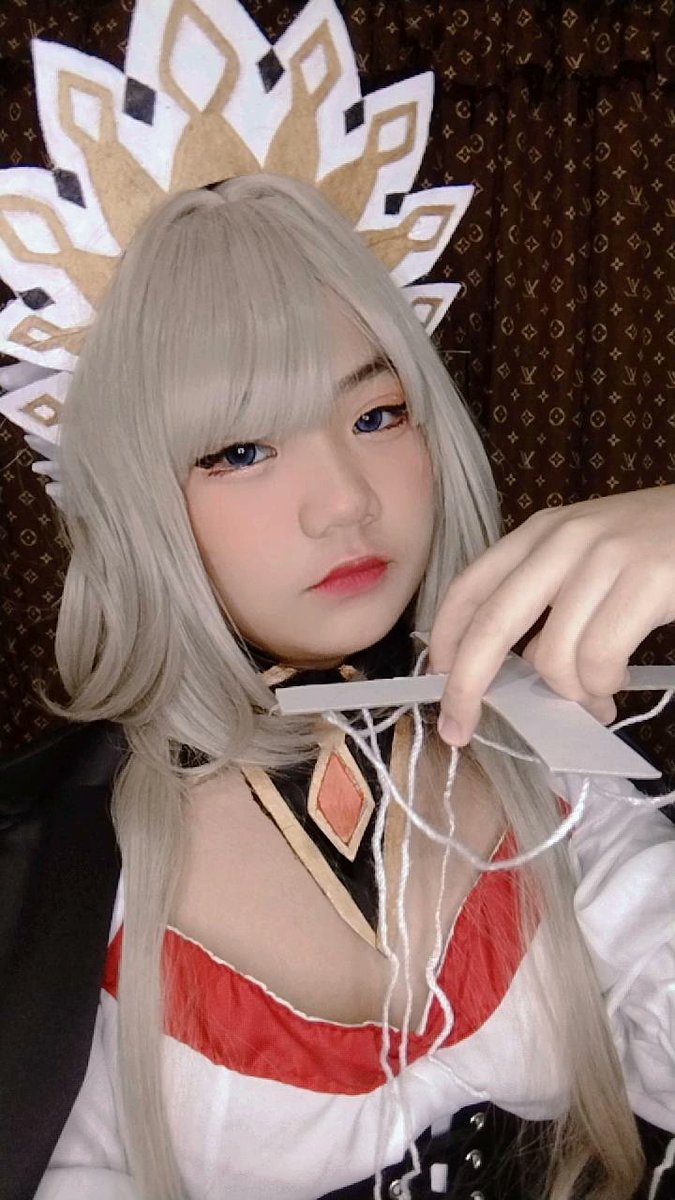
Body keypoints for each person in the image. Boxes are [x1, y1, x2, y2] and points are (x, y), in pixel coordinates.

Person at [0, 173, 674, 1200]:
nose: (346, 503)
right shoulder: (57, 867)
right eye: (241, 450)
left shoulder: (550, 754)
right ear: (137, 495)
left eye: (378, 414)